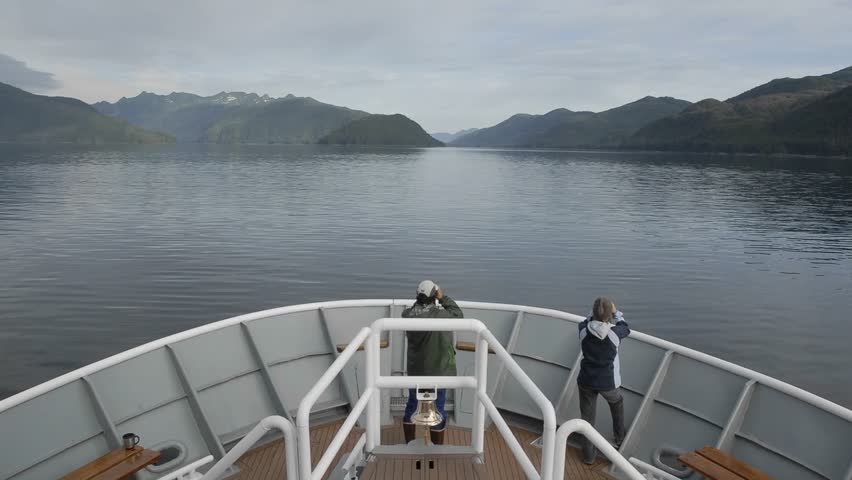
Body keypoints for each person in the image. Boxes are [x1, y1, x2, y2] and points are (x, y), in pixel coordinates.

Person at [401, 280, 463, 445]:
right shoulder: (440, 315)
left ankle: (409, 442)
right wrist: (443, 298)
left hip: (416, 370)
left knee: (412, 405)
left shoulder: (407, 314)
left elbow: (417, 307)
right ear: (434, 295)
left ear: (418, 295)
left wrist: (423, 298)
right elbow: (458, 314)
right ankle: (438, 447)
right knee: (439, 408)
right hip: (438, 370)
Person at [577, 296, 630, 464]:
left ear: (592, 313)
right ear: (609, 315)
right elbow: (625, 327)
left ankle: (588, 456)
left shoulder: (583, 330)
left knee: (587, 419)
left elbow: (586, 320)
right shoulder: (615, 334)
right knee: (617, 403)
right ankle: (619, 438)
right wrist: (617, 313)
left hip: (586, 380)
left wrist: (595, 314)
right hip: (607, 382)